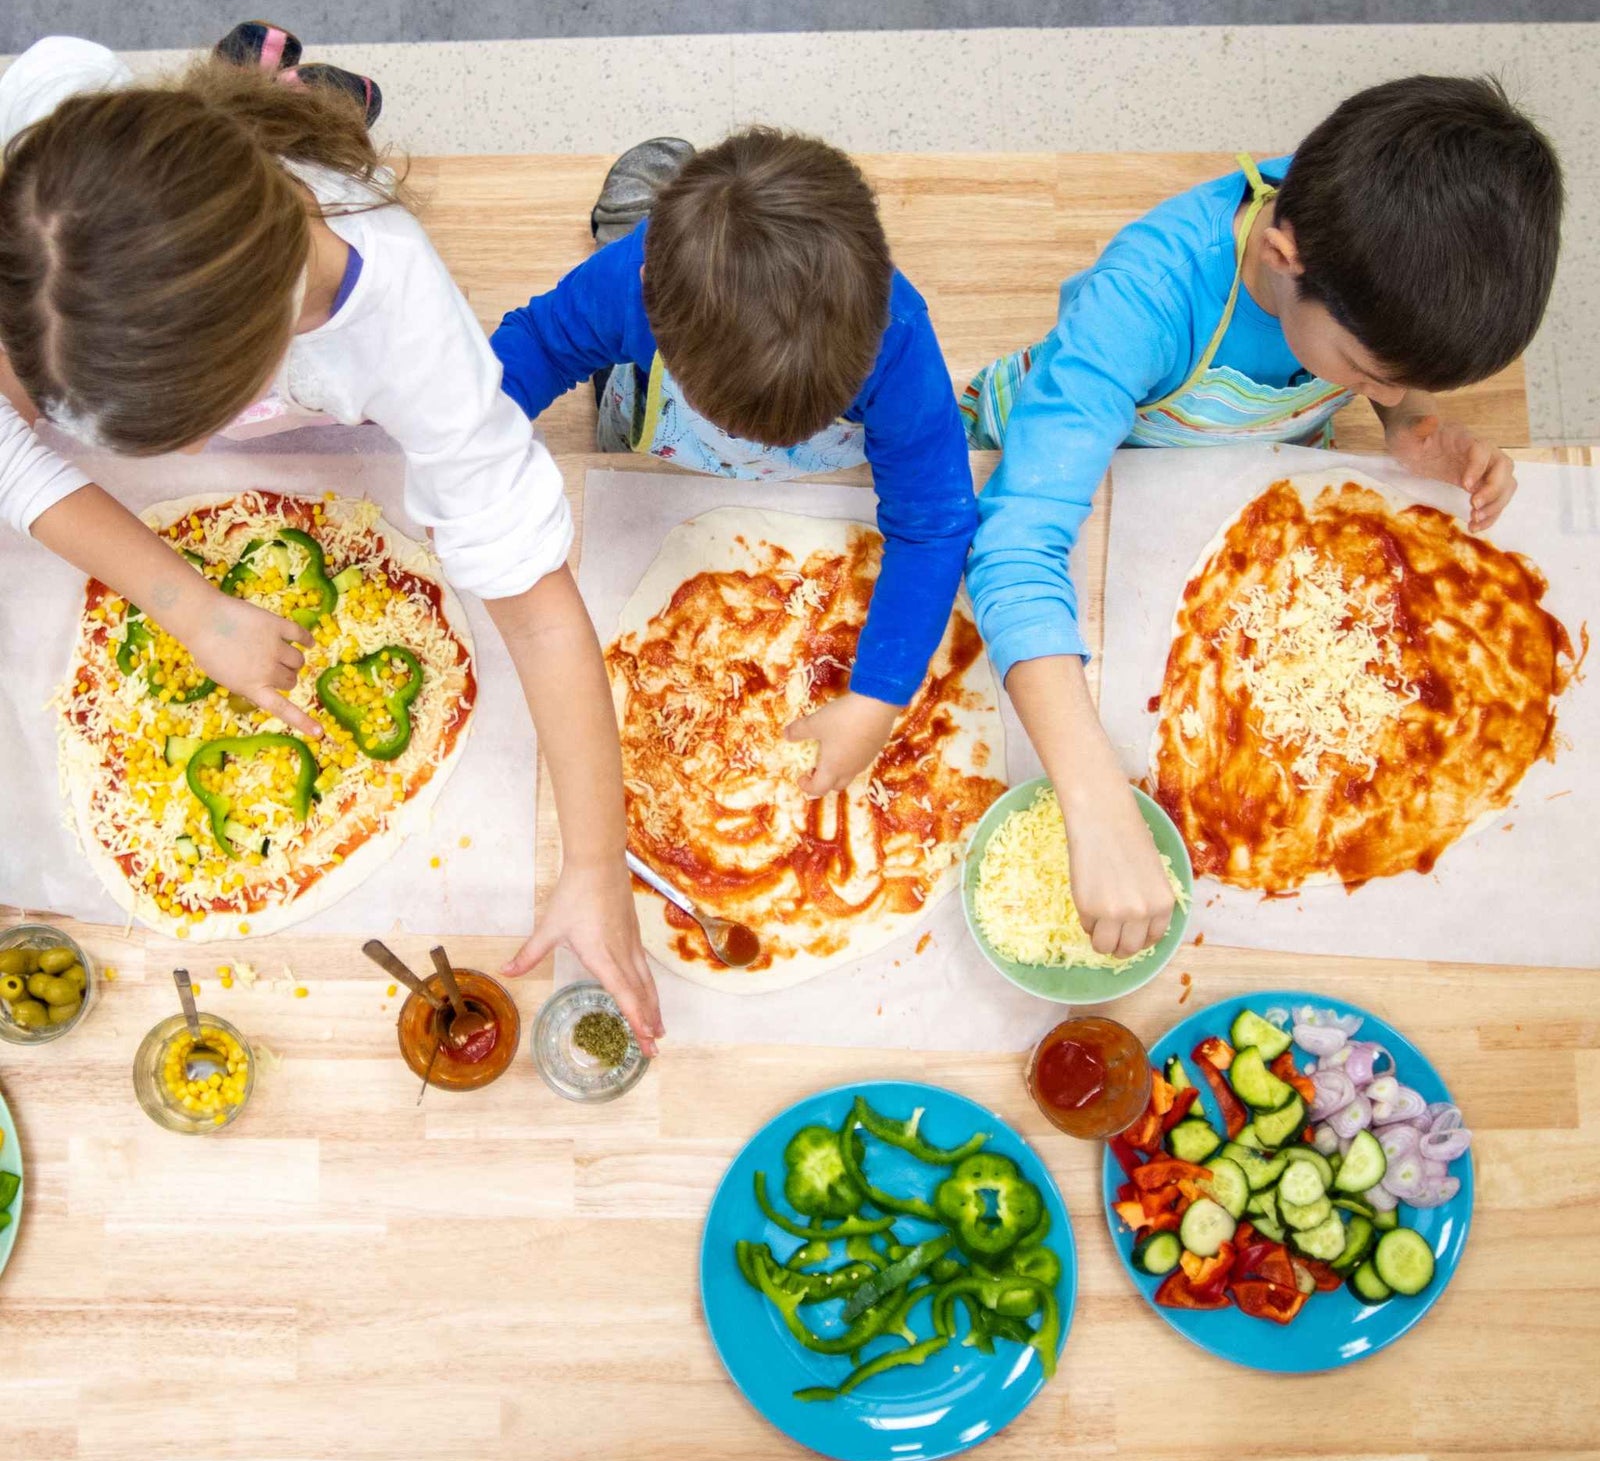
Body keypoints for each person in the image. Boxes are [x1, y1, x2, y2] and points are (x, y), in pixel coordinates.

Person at [0, 33, 662, 1050]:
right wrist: (189, 605)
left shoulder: (408, 338)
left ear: (255, 373)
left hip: (313, 331)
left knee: (307, 134)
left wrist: (593, 864)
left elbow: (536, 610)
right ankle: (267, 83)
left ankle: (295, 97)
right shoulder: (36, 170)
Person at [963, 75, 1563, 960]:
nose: (1386, 390)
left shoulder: (1359, 251)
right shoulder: (1143, 302)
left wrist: (1410, 423)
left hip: (1234, 478)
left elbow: (1381, 363)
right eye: (1371, 368)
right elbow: (1014, 542)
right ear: (1284, 260)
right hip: (1069, 462)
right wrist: (1092, 799)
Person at [492, 128, 978, 792]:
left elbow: (934, 522)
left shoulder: (896, 339)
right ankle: (647, 204)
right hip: (660, 437)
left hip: (817, 474)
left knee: (679, 228)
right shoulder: (632, 289)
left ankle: (671, 196)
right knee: (628, 264)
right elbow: (541, 344)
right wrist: (476, 449)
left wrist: (878, 696)